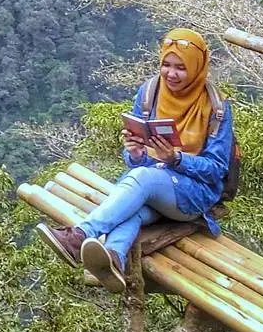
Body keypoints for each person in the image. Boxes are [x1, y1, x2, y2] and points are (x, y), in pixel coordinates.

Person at [36, 28, 234, 293]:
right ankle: (115, 258)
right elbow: (137, 162)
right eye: (166, 64)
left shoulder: (216, 108)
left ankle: (80, 235)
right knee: (133, 210)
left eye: (181, 68)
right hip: (155, 188)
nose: (171, 74)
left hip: (194, 195)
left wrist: (176, 159)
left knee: (142, 179)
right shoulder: (151, 92)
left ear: (197, 67)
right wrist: (136, 153)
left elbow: (217, 170)